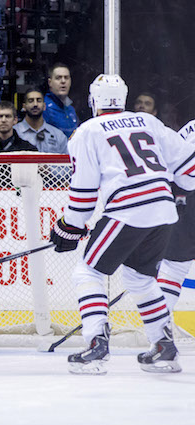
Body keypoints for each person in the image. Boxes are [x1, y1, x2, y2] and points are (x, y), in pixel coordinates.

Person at [49, 74, 195, 375]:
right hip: (165, 210)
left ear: (93, 101)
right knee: (140, 279)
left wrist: (68, 226)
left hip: (127, 210)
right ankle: (163, 348)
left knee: (87, 271)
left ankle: (96, 345)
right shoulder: (148, 122)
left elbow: (84, 194)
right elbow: (187, 169)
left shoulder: (87, 131)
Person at [155, 119, 195, 314]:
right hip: (188, 196)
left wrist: (178, 194)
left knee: (174, 269)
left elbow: (177, 165)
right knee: (174, 268)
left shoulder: (190, 127)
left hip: (187, 197)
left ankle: (159, 332)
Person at [14, 87, 68, 153]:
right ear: (24, 106)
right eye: (31, 101)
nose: (35, 104)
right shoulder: (15, 132)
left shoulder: (58, 135)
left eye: (39, 100)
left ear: (44, 106)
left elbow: (67, 161)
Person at [42, 63, 79, 138]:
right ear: (50, 82)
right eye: (58, 78)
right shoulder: (44, 107)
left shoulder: (71, 108)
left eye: (66, 78)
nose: (63, 81)